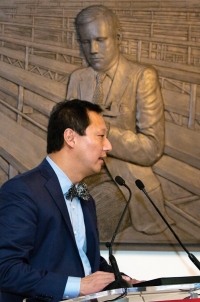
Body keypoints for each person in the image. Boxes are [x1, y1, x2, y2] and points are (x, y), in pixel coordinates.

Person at [0, 99, 133, 302]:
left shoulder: (86, 197)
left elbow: (87, 262)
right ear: (70, 137)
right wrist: (77, 286)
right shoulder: (22, 191)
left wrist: (123, 281)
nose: (108, 146)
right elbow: (6, 269)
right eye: (101, 136)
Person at [67, 5, 174, 238]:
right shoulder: (78, 79)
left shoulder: (141, 77)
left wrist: (101, 130)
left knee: (87, 225)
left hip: (123, 183)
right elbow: (67, 140)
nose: (93, 50)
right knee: (52, 216)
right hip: (82, 175)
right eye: (85, 42)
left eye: (100, 40)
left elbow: (151, 149)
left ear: (118, 38)